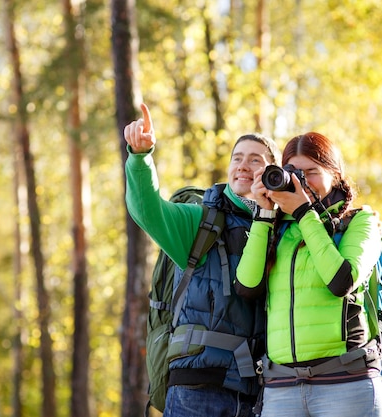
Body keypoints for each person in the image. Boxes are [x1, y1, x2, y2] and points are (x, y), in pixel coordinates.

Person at [124, 103, 279, 417]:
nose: (243, 166)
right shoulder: (200, 221)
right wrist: (140, 158)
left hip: (259, 393)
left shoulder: (282, 230)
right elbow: (146, 209)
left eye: (255, 160)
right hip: (196, 389)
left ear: (273, 173)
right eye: (237, 159)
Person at [235, 132, 382, 417]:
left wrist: (305, 213)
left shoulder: (359, 222)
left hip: (346, 383)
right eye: (294, 172)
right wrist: (265, 215)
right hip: (281, 387)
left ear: (335, 174)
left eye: (312, 172)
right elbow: (246, 286)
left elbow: (341, 281)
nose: (302, 181)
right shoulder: (279, 228)